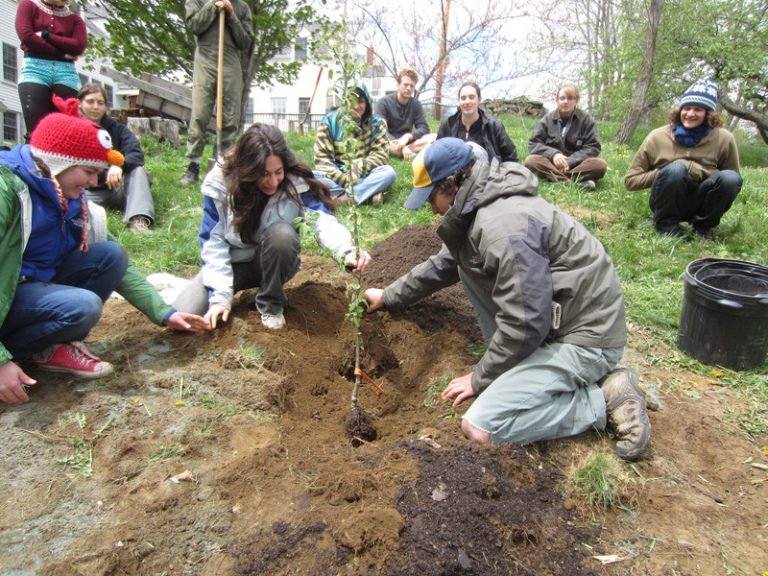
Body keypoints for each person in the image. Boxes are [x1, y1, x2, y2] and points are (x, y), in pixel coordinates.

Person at [365, 138, 651, 461]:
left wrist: (480, 375)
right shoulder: (481, 203)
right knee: (465, 265)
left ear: (451, 184)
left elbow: (526, 322)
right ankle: (528, 369)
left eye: (432, 197)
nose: (432, 208)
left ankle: (604, 398)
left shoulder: (501, 227)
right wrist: (388, 296)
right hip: (560, 318)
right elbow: (446, 264)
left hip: (588, 337)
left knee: (481, 425)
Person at [173, 123, 372, 331]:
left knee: (282, 235)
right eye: (264, 174)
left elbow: (322, 220)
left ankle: (270, 302)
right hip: (232, 265)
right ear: (248, 170)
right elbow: (213, 244)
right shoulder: (220, 186)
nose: (274, 181)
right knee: (183, 315)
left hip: (272, 262)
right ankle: (191, 289)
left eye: (278, 172)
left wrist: (346, 251)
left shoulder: (296, 182)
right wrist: (220, 298)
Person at [0, 110, 129, 404]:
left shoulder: (67, 194)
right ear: (60, 162)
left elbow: (119, 266)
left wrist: (164, 313)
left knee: (111, 255)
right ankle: (12, 355)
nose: (95, 180)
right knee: (82, 306)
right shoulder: (6, 189)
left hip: (27, 288)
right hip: (7, 293)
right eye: (88, 170)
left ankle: (49, 346)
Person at [625, 79, 742, 241]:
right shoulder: (657, 136)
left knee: (730, 179)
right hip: (666, 198)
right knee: (675, 170)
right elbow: (631, 181)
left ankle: (702, 227)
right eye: (686, 108)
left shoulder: (724, 138)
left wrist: (698, 171)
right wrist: (665, 172)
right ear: (679, 110)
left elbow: (732, 180)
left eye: (698, 109)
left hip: (703, 200)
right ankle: (666, 225)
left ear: (709, 114)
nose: (690, 114)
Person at [179, 0, 254, 185]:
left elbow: (245, 42)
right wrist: (212, 5)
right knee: (200, 114)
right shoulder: (196, 1)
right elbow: (195, 26)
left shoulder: (242, 7)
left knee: (230, 115)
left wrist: (231, 14)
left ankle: (223, 165)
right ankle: (193, 165)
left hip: (230, 61)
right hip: (205, 58)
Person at [78, 83, 155, 233]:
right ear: (79, 103)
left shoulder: (118, 129)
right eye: (90, 102)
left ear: (106, 107)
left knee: (138, 171)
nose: (95, 107)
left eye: (100, 103)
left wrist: (119, 165)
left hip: (116, 187)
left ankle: (138, 220)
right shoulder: (70, 128)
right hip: (87, 191)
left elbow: (136, 154)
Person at [314, 84, 397, 206]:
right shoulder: (329, 122)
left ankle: (342, 198)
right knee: (307, 177)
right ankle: (366, 196)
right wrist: (345, 179)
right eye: (351, 101)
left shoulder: (378, 124)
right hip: (335, 178)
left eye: (361, 102)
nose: (356, 106)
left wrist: (357, 169)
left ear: (367, 103)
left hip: (365, 176)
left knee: (388, 173)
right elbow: (322, 159)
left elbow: (380, 155)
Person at [15, 0, 87, 139]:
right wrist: (60, 53)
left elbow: (78, 45)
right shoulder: (28, 5)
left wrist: (46, 35)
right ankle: (32, 160)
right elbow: (26, 36)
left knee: (63, 132)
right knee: (36, 131)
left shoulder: (75, 19)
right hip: (35, 68)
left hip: (66, 72)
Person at [524, 84, 608, 190]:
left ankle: (556, 178)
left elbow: (593, 147)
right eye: (562, 98)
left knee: (600, 165)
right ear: (557, 101)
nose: (565, 101)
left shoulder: (586, 120)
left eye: (570, 98)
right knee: (530, 161)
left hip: (577, 165)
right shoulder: (548, 119)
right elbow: (534, 143)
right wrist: (554, 155)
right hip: (551, 164)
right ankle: (574, 184)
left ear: (576, 101)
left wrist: (570, 161)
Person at [436, 81, 517, 164]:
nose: (467, 102)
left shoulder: (494, 126)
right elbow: (437, 155)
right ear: (459, 101)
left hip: (488, 174)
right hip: (455, 173)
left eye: (471, 97)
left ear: (479, 100)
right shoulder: (448, 125)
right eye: (463, 98)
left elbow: (510, 157)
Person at [374, 68, 435, 161]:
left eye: (412, 86)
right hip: (389, 141)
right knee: (380, 141)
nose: (408, 88)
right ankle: (407, 152)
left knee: (434, 137)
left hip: (408, 142)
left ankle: (408, 151)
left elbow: (424, 128)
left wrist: (408, 137)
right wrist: (400, 144)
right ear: (398, 85)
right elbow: (379, 129)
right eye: (405, 85)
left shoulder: (416, 104)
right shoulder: (383, 103)